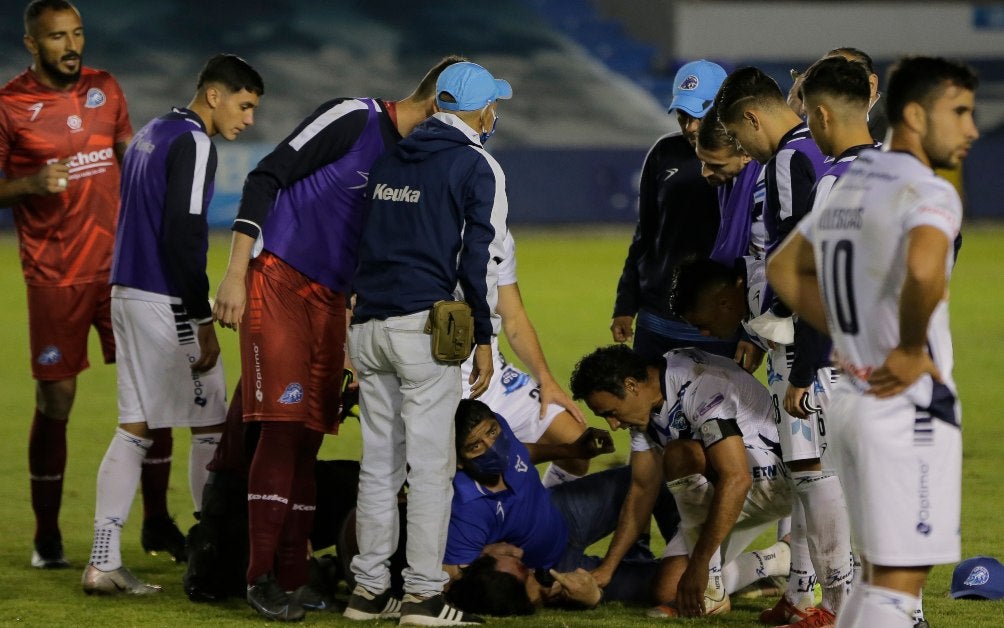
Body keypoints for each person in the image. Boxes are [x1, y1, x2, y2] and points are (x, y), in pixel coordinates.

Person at [212, 52, 465, 621]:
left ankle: (296, 576)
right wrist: (234, 273)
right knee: (280, 431)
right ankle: (260, 577)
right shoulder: (353, 116)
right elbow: (266, 175)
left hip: (333, 304)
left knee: (308, 438)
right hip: (277, 279)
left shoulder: (414, 160)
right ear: (437, 106)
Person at [767, 56, 977, 628]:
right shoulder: (924, 187)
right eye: (959, 113)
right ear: (915, 113)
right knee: (898, 592)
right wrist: (909, 348)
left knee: (872, 580)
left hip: (851, 400)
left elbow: (785, 270)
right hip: (906, 405)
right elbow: (929, 269)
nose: (972, 129)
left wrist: (850, 333)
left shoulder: (846, 180)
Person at [0, 0, 180, 568]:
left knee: (153, 391)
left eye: (77, 33)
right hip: (55, 273)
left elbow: (128, 154)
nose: (72, 45)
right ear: (33, 43)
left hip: (121, 268)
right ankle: (47, 534)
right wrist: (29, 182)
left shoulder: (106, 87)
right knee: (57, 398)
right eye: (57, 36)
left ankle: (157, 522)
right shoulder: (8, 105)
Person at [80, 53, 263, 595]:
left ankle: (103, 561)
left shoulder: (152, 132)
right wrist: (201, 317)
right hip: (165, 301)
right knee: (211, 425)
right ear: (214, 95)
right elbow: (183, 235)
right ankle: (214, 553)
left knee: (134, 427)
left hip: (126, 292)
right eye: (245, 104)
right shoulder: (196, 142)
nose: (249, 119)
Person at [343, 60, 511, 627]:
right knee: (432, 468)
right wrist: (484, 337)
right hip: (423, 330)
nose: (496, 115)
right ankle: (421, 595)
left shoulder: (393, 156)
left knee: (379, 466)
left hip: (368, 326)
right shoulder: (475, 165)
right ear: (481, 109)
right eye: (494, 105)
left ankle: (366, 591)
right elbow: (477, 259)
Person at [716, 65, 839, 625]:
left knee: (813, 468)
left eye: (741, 139)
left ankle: (836, 602)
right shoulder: (817, 152)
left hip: (804, 340)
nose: (744, 150)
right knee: (813, 467)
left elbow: (797, 256)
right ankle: (801, 592)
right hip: (817, 332)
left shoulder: (791, 158)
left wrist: (772, 325)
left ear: (751, 116)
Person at [569, 345, 793, 619]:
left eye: (611, 412)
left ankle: (711, 583)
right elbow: (641, 490)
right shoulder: (642, 413)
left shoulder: (698, 384)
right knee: (669, 591)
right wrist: (608, 568)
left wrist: (700, 566)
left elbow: (737, 477)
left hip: (773, 479)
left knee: (678, 455)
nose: (613, 424)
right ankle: (779, 559)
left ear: (631, 385)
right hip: (727, 486)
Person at [444, 398, 658, 606]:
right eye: (476, 446)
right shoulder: (466, 510)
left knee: (655, 475)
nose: (492, 446)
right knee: (663, 582)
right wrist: (543, 592)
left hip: (562, 509)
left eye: (492, 432)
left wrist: (572, 450)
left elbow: (520, 452)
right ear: (459, 461)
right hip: (555, 569)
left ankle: (680, 543)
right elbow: (463, 585)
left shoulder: (497, 428)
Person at [611, 59, 733, 360]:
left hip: (720, 324)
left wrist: (751, 335)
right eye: (683, 115)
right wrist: (626, 303)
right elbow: (645, 234)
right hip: (657, 321)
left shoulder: (746, 160)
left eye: (699, 115)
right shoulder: (664, 152)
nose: (690, 126)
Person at [460, 231, 589, 486]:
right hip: (442, 387)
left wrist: (545, 379)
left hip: (495, 380)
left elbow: (514, 316)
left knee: (576, 443)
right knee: (466, 476)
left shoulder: (497, 234)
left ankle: (540, 517)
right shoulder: (425, 229)